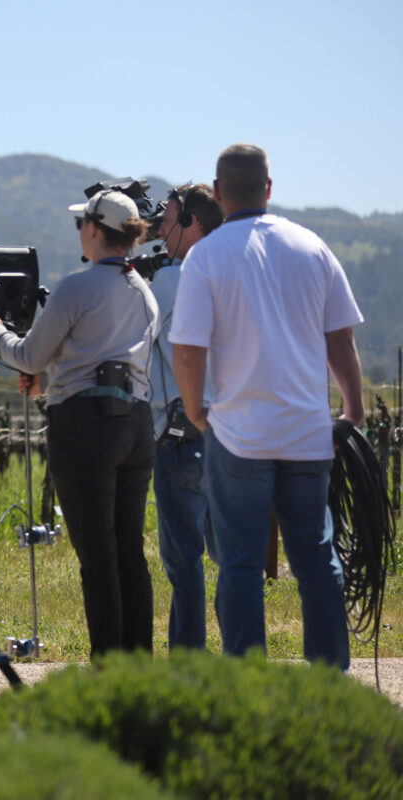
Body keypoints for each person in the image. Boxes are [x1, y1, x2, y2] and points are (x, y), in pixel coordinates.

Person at [170, 144, 364, 668]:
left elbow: (186, 348)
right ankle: (329, 681)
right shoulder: (312, 247)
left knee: (240, 564)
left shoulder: (207, 256)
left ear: (217, 192)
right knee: (317, 561)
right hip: (306, 432)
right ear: (270, 189)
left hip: (238, 434)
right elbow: (340, 339)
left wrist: (195, 411)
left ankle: (248, 685)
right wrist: (353, 409)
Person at [0, 189, 157, 659]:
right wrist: (54, 375)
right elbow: (102, 352)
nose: (79, 231)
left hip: (84, 427)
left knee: (97, 558)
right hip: (135, 425)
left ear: (95, 229)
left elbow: (30, 353)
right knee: (128, 553)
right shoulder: (143, 291)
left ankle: (108, 670)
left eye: (81, 224)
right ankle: (138, 666)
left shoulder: (76, 287)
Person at [148, 183, 223, 649]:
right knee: (233, 558)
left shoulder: (171, 280)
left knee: (184, 564)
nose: (159, 228)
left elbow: (134, 335)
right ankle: (241, 659)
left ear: (192, 223)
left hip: (181, 431)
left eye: (168, 218)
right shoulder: (229, 271)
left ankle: (189, 668)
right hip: (232, 428)